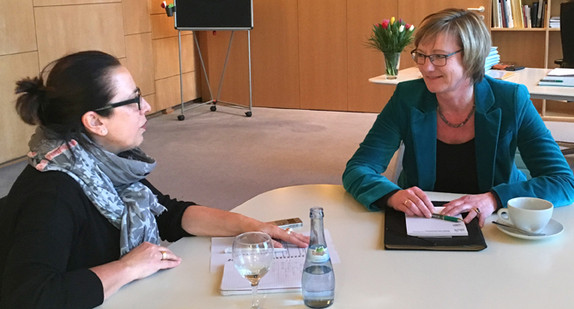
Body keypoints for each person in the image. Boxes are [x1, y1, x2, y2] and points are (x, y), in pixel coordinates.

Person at [0, 50, 309, 308]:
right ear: (95, 121)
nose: (146, 107)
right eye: (133, 101)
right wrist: (127, 268)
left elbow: (168, 213)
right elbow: (30, 296)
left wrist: (252, 226)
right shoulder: (53, 193)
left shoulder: (104, 163)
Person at [343, 8, 574, 227]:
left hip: (493, 222)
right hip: (423, 220)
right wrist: (392, 195)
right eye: (421, 55)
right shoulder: (408, 98)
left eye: (439, 57)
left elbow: (563, 181)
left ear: (472, 58)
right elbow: (359, 168)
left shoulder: (511, 100)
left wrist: (494, 198)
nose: (426, 67)